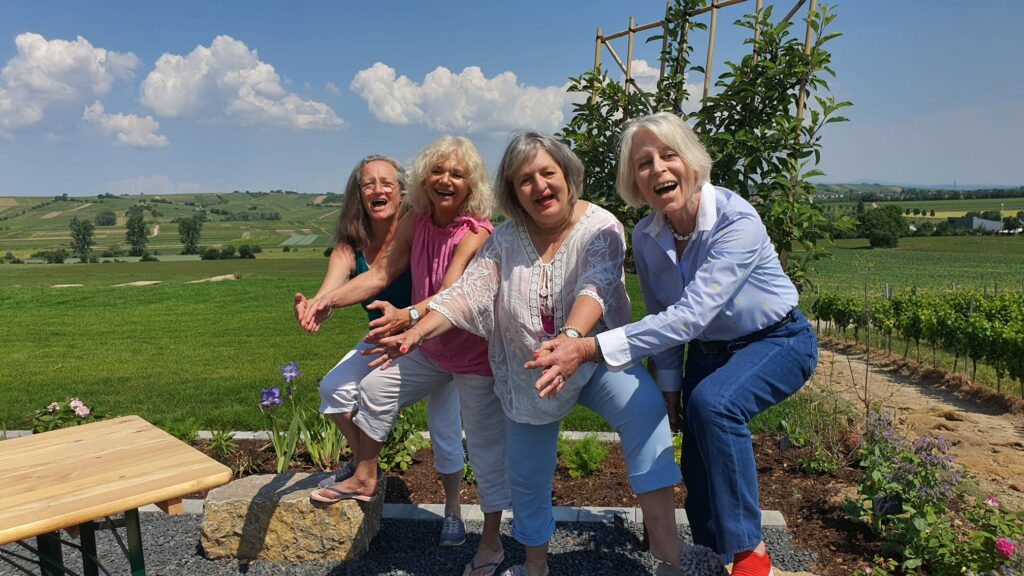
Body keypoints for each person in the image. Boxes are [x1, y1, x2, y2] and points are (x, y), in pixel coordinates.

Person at [373, 132, 684, 576]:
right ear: (513, 192)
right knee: (527, 473)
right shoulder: (504, 240)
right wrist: (416, 332)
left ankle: (669, 552)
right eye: (524, 179)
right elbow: (466, 295)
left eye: (547, 173)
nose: (539, 186)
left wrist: (571, 339)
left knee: (646, 411)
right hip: (531, 371)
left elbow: (595, 286)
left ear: (567, 175)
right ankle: (535, 565)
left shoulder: (602, 226)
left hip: (595, 357)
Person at [528, 112, 819, 576]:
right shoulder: (647, 237)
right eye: (644, 163)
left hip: (776, 339)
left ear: (692, 161)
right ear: (635, 182)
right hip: (707, 352)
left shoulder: (736, 219)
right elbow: (661, 311)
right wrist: (669, 388)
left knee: (716, 404)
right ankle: (712, 559)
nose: (658, 169)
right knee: (699, 466)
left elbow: (689, 316)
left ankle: (750, 555)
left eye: (669, 155)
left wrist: (588, 347)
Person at [301, 137, 509, 576]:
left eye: (456, 174)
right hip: (426, 346)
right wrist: (325, 302)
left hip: (469, 354)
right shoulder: (416, 220)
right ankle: (365, 475)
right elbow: (379, 273)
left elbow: (450, 293)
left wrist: (409, 317)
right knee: (374, 387)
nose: (446, 180)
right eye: (438, 171)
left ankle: (490, 542)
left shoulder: (476, 231)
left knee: (482, 450)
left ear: (471, 183)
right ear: (423, 179)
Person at [293, 154, 467, 546]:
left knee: (443, 428)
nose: (378, 189)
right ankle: (365, 469)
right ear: (358, 194)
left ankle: (453, 511)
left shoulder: (415, 228)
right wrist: (316, 304)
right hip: (384, 338)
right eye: (368, 183)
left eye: (386, 182)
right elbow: (336, 286)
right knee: (333, 390)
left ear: (402, 191)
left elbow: (382, 277)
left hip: (433, 337)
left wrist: (330, 301)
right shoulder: (349, 245)